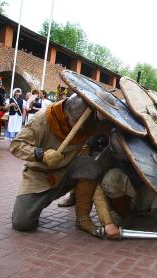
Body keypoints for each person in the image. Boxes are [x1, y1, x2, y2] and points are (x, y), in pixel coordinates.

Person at [10, 93, 119, 238]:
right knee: (22, 223)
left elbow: (112, 124)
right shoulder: (42, 119)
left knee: (89, 166)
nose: (80, 129)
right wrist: (41, 155)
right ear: (66, 115)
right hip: (39, 176)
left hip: (67, 171)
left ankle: (82, 219)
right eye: (75, 122)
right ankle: (34, 207)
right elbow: (16, 145)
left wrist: (107, 222)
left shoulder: (88, 123)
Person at [90, 131, 157, 237]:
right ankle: (126, 217)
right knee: (111, 178)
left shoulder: (153, 141)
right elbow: (94, 177)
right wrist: (108, 222)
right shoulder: (110, 150)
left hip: (150, 190)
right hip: (128, 195)